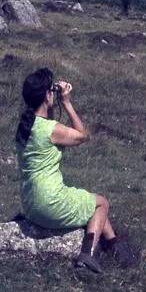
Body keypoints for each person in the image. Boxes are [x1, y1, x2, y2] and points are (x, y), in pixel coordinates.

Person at [15, 68, 136, 273]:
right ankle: (88, 256)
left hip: (30, 205)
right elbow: (82, 135)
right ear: (47, 95)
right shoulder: (50, 129)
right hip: (49, 203)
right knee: (101, 203)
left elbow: (45, 122)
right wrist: (67, 102)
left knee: (87, 202)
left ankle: (115, 246)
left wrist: (51, 102)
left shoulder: (24, 127)